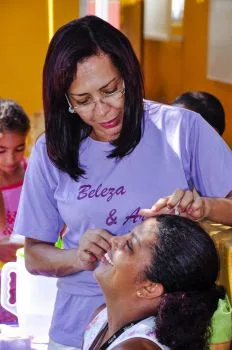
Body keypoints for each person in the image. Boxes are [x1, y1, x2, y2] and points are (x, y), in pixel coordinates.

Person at [13, 15, 232, 349]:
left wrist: (206, 206)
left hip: (168, 326)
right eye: (83, 101)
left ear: (129, 74)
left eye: (110, 90)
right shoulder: (52, 150)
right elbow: (34, 256)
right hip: (80, 325)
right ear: (65, 101)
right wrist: (77, 257)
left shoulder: (182, 130)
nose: (102, 111)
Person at [83, 214, 225, 350]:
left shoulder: (134, 348)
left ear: (149, 288)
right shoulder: (101, 316)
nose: (114, 240)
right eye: (128, 233)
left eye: (129, 246)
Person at [0, 98, 30, 322]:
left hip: (29, 287)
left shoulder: (34, 174)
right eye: (1, 150)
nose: (11, 159)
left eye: (19, 148)